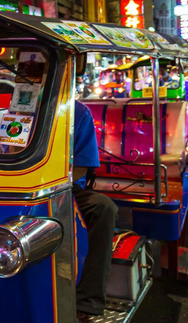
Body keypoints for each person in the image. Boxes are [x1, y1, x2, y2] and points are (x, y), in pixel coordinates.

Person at [72, 100, 118, 320]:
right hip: (17, 187)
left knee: (103, 208)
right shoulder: (17, 106)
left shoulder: (78, 112)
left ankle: (87, 302)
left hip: (64, 189)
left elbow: (82, 166)